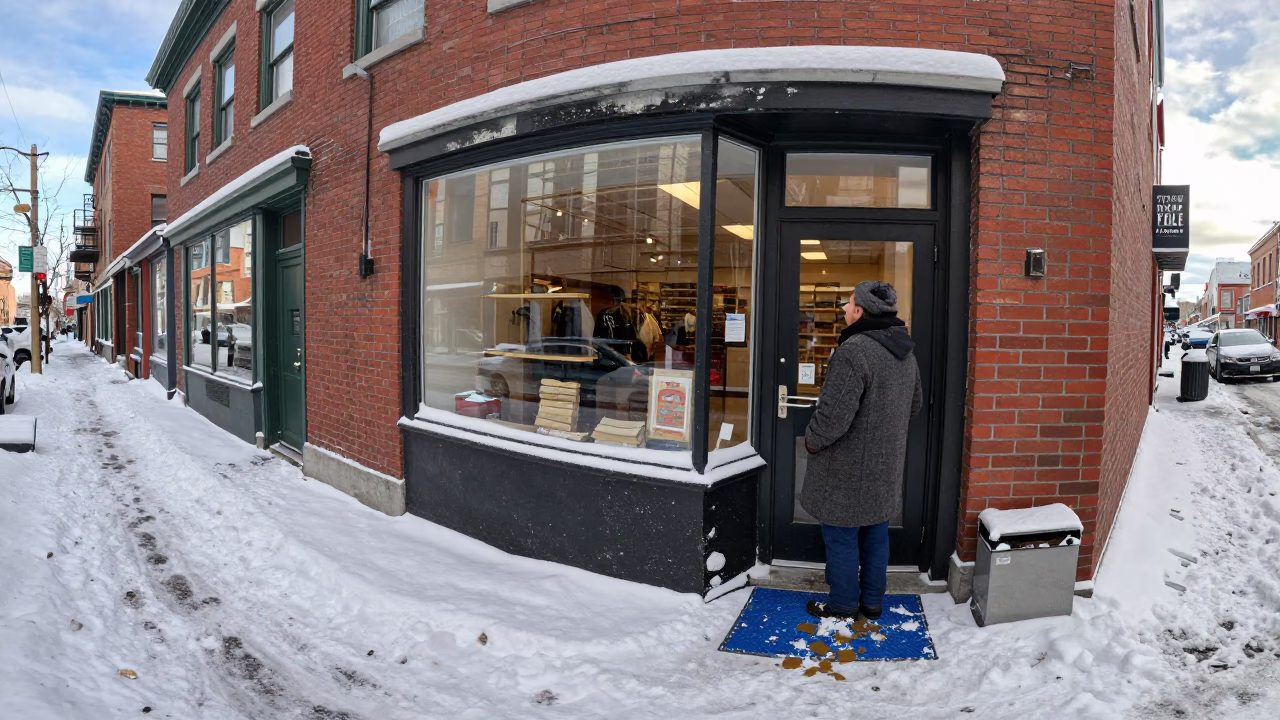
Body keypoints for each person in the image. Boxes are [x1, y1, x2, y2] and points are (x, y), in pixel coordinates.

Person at [801, 280, 922, 623]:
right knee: (875, 536)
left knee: (841, 538)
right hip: (885, 465)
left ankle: (842, 606)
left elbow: (833, 416)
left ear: (859, 310)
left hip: (847, 468)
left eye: (848, 302)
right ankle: (871, 603)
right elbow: (914, 406)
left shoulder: (854, 350)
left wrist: (812, 440)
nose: (844, 308)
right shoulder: (905, 351)